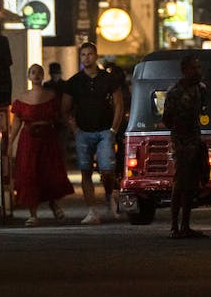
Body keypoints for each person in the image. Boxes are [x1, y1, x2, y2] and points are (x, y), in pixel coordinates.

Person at [62, 42, 125, 225]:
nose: (87, 57)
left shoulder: (108, 79)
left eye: (90, 54)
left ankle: (109, 194)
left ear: (96, 56)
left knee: (107, 170)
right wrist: (74, 129)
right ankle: (92, 211)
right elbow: (65, 109)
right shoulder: (74, 82)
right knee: (85, 171)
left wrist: (113, 128)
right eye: (83, 55)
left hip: (105, 131)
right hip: (83, 132)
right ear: (80, 57)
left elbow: (119, 104)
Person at [10, 64, 75, 227]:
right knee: (29, 173)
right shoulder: (21, 98)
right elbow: (16, 124)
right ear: (28, 76)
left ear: (43, 75)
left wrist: (73, 128)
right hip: (29, 140)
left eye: (39, 72)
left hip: (48, 138)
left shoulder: (51, 96)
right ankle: (33, 214)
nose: (36, 75)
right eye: (33, 72)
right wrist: (9, 143)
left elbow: (61, 117)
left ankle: (54, 203)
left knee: (49, 172)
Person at [162, 54, 210, 239]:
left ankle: (186, 225)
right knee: (181, 183)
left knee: (191, 184)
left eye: (199, 67)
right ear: (185, 70)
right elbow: (167, 119)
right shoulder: (175, 92)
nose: (198, 71)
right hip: (181, 142)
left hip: (195, 140)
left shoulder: (201, 89)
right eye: (194, 68)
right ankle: (175, 226)